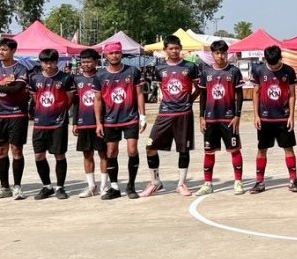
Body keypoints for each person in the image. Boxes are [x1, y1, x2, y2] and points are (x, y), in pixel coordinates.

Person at [142, 35, 202, 197]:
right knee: (150, 147)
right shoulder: (159, 68)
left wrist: (189, 100)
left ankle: (181, 184)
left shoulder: (190, 66)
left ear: (181, 48)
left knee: (184, 150)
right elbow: (162, 88)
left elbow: (199, 88)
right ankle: (155, 182)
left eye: (177, 48)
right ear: (165, 50)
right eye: (171, 48)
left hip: (184, 113)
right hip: (165, 113)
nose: (174, 51)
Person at [195, 39, 245, 196]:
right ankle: (207, 184)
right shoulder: (206, 72)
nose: (220, 56)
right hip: (211, 119)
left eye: (223, 53)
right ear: (212, 54)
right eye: (217, 53)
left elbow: (240, 95)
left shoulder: (234, 71)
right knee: (209, 152)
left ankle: (238, 182)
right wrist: (201, 117)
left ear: (227, 54)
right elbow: (203, 96)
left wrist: (237, 115)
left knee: (235, 150)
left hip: (229, 118)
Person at [97, 41, 147, 200]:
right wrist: (98, 122)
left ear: (121, 54)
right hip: (110, 120)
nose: (114, 56)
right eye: (111, 53)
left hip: (130, 117)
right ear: (106, 55)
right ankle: (114, 187)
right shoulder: (100, 75)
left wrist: (143, 116)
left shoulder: (132, 71)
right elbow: (97, 100)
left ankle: (131, 185)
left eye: (117, 52)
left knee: (132, 150)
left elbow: (139, 94)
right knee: (111, 152)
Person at [0, 36, 31, 199]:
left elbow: (15, 89)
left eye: (4, 49)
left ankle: (17, 186)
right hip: (0, 115)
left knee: (16, 150)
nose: (1, 52)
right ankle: (4, 187)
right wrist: (0, 84)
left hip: (17, 114)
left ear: (13, 51)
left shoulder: (21, 69)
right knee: (1, 151)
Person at [27, 48, 76, 200]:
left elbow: (69, 99)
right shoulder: (35, 78)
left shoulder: (66, 78)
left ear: (57, 62)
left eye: (52, 62)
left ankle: (60, 187)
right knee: (39, 155)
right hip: (40, 123)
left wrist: (59, 112)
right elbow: (34, 97)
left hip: (58, 123)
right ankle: (47, 186)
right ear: (41, 63)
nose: (49, 65)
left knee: (59, 155)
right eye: (45, 62)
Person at [250, 45, 297, 193]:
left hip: (283, 118)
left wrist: (291, 116)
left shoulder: (289, 71)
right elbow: (256, 93)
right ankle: (259, 182)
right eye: (270, 64)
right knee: (262, 149)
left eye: (276, 63)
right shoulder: (259, 70)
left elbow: (292, 95)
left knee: (288, 148)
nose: (273, 67)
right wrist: (256, 115)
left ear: (280, 58)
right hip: (265, 118)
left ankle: (293, 180)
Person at [72, 48, 108, 198]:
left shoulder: (103, 77)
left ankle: (104, 186)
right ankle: (91, 186)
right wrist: (75, 122)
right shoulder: (77, 79)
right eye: (83, 62)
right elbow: (76, 102)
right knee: (87, 154)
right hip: (84, 122)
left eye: (89, 61)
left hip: (100, 122)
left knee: (103, 154)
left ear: (96, 62)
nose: (85, 64)